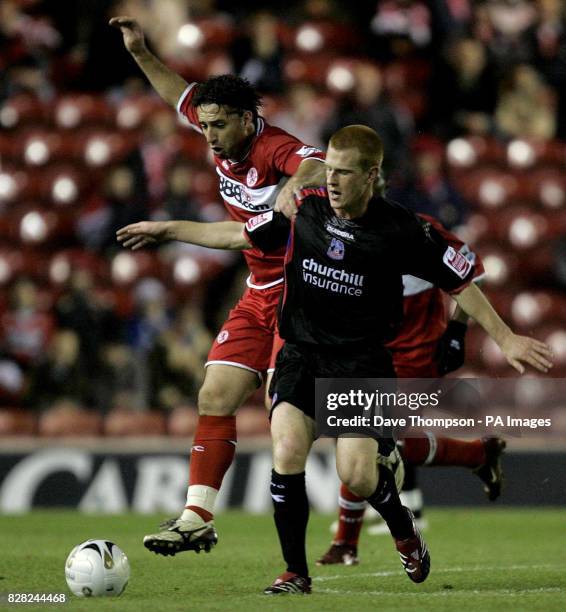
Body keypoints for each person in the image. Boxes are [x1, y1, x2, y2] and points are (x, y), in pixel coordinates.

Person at [118, 125, 553, 594]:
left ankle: (403, 529)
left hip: (360, 362)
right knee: (286, 451)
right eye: (330, 171)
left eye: (345, 174)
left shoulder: (404, 230)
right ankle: (294, 573)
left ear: (372, 175)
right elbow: (239, 236)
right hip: (301, 354)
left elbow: (462, 282)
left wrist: (505, 338)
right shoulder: (304, 208)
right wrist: (169, 230)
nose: (333, 182)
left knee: (359, 474)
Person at [110, 15, 327, 555]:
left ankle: (372, 456)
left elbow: (321, 165)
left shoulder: (273, 147)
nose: (207, 135)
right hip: (260, 290)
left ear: (246, 121)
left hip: (304, 297)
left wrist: (293, 186)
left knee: (290, 425)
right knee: (214, 392)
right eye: (203, 126)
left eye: (217, 126)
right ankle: (196, 517)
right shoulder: (216, 131)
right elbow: (176, 93)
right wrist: (140, 52)